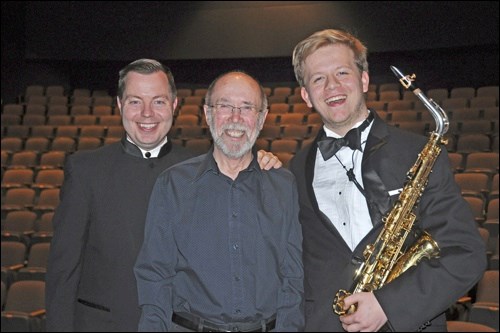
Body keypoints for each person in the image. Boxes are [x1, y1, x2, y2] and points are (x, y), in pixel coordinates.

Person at [45, 59, 283, 332]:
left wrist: (264, 163)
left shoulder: (208, 168)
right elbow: (63, 271)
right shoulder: (86, 170)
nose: (147, 114)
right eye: (135, 101)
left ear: (174, 106)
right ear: (120, 106)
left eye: (158, 102)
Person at [288, 29, 487, 332]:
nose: (332, 86)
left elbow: (465, 253)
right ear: (306, 95)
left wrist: (389, 305)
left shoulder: (417, 152)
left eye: (342, 72)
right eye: (318, 78)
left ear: (364, 79)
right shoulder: (293, 169)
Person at [134, 70, 305, 332]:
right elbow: (155, 275)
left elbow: (292, 276)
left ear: (262, 118)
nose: (235, 119)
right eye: (225, 106)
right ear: (208, 113)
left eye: (247, 107)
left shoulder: (283, 185)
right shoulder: (173, 184)